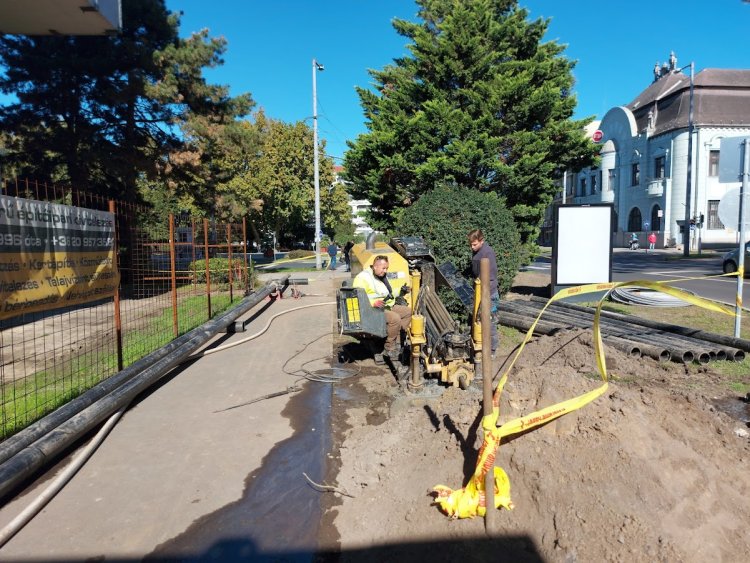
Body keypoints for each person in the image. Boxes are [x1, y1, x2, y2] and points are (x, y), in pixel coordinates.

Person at [353, 255, 411, 364]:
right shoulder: (363, 278)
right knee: (395, 318)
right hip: (371, 309)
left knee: (408, 312)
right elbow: (357, 296)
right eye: (383, 268)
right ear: (375, 266)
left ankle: (397, 341)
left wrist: (401, 291)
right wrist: (372, 303)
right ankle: (389, 347)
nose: (385, 271)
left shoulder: (381, 277)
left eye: (387, 268)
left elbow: (388, 293)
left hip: (387, 305)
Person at [468, 229, 499, 357]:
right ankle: (479, 344)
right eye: (470, 244)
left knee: (489, 321)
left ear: (482, 240)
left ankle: (492, 350)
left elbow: (489, 276)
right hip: (480, 291)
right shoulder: (478, 252)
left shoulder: (487, 253)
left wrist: (483, 292)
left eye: (474, 244)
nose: (472, 247)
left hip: (489, 292)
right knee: (478, 320)